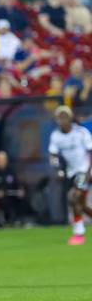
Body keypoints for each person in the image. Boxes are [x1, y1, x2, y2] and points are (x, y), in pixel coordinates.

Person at [48, 105, 92, 245]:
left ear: (70, 118)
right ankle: (79, 230)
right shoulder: (56, 135)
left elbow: (90, 151)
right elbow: (53, 155)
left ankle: (78, 233)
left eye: (65, 117)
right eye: (59, 117)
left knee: (74, 197)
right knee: (82, 204)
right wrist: (57, 167)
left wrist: (88, 172)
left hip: (85, 169)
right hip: (72, 172)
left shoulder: (81, 132)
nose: (62, 120)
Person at [0, 151, 32, 226]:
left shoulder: (11, 171)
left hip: (12, 194)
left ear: (6, 160)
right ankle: (7, 220)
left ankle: (20, 219)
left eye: (2, 160)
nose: (0, 162)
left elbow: (17, 184)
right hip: (0, 197)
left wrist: (20, 190)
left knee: (22, 198)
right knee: (3, 201)